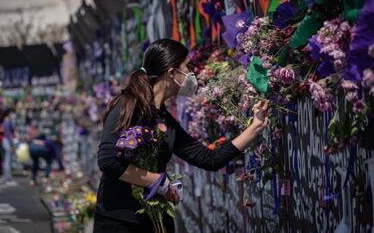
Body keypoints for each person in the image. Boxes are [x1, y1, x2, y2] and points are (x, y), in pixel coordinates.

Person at [93, 39, 270, 233]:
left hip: (156, 221)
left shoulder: (165, 120)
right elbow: (108, 160)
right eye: (187, 67)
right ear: (171, 73)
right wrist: (158, 181)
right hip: (119, 221)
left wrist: (255, 126)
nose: (191, 75)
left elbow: (209, 159)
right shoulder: (128, 105)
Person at [2, 109, 15, 183]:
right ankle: (8, 177)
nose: (12, 115)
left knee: (8, 160)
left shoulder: (8, 121)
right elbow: (8, 134)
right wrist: (12, 143)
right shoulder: (6, 122)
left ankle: (7, 177)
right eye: (11, 114)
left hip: (7, 141)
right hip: (7, 141)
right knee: (8, 160)